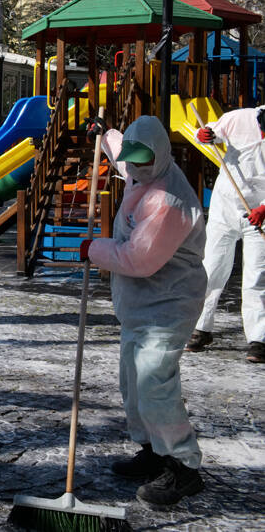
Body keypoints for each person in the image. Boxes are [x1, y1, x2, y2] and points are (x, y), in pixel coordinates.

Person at [82, 115, 206, 507]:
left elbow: (139, 259)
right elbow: (122, 153)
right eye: (131, 159)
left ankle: (183, 467)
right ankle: (153, 450)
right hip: (138, 305)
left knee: (154, 384)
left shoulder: (167, 198)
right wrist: (103, 133)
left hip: (169, 303)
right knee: (132, 383)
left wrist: (93, 249)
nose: (134, 167)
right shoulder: (140, 167)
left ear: (161, 157)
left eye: (142, 160)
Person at [186, 106, 265, 364]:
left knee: (256, 276)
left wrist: (264, 209)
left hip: (260, 211)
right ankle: (201, 328)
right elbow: (210, 132)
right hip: (225, 206)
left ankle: (259, 339)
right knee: (212, 268)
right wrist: (205, 134)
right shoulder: (239, 118)